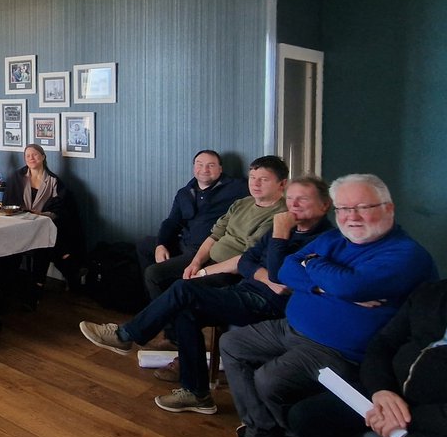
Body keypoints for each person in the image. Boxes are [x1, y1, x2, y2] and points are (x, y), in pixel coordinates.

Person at [79, 176, 334, 415]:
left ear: (324, 205)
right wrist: (264, 275)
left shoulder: (323, 239)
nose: (294, 205)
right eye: (291, 199)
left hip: (273, 305)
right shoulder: (283, 227)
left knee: (183, 289)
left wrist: (278, 243)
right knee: (185, 311)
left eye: (303, 199)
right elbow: (247, 261)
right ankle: (197, 393)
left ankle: (126, 335)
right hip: (248, 290)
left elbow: (280, 276)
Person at [219, 174, 437, 437]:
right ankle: (264, 432)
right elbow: (285, 270)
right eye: (344, 209)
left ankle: (271, 436)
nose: (351, 216)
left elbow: (352, 286)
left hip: (337, 350)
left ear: (388, 208)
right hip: (291, 327)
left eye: (362, 207)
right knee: (231, 343)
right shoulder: (335, 238)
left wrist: (312, 264)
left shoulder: (406, 254)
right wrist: (325, 287)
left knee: (269, 379)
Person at [287, 208, 447, 437]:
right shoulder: (433, 292)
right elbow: (383, 343)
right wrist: (381, 390)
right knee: (306, 415)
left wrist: (411, 418)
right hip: (390, 394)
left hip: (445, 418)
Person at [148, 155, 290, 302]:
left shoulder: (280, 215)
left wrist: (203, 272)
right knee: (153, 274)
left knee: (183, 288)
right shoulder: (242, 203)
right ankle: (167, 323)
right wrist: (195, 263)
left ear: (282, 184)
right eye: (252, 177)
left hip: (232, 271)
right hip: (209, 258)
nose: (255, 184)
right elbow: (214, 235)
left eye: (264, 179)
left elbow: (248, 258)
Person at [137, 150, 249, 299]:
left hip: (205, 250)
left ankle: (164, 315)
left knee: (153, 273)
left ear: (220, 169)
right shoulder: (185, 192)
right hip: (184, 242)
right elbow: (172, 222)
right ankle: (151, 300)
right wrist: (161, 244)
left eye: (211, 165)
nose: (204, 170)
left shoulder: (237, 188)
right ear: (193, 167)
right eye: (199, 164)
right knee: (144, 244)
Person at [4, 144, 85, 294]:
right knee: (53, 244)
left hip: (46, 223)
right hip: (20, 224)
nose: (31, 158)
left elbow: (61, 209)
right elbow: (9, 202)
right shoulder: (18, 177)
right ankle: (67, 271)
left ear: (43, 157)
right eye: (27, 156)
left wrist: (42, 215)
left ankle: (37, 285)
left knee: (46, 240)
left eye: (35, 155)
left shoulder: (54, 181)